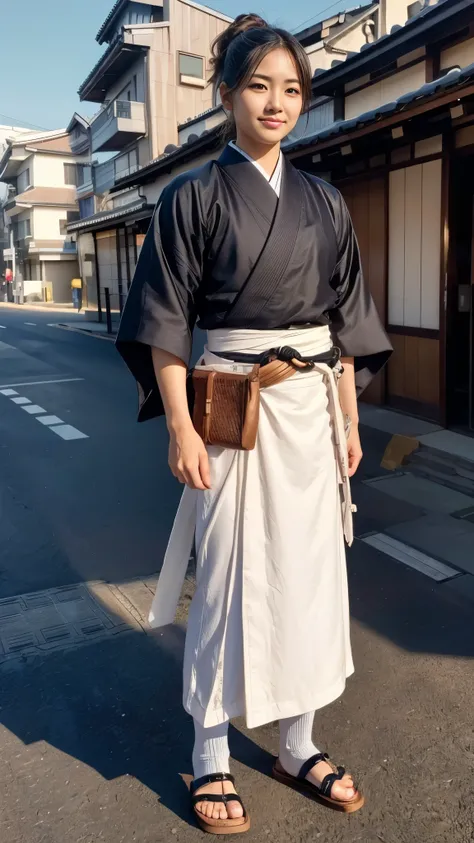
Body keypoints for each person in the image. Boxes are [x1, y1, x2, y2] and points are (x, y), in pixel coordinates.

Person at [116, 13, 392, 835]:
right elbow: (164, 322)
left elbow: (347, 321)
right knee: (230, 581)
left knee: (309, 581)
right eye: (261, 85)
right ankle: (209, 751)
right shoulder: (192, 198)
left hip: (309, 413)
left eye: (293, 88)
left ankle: (297, 741)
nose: (278, 102)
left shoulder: (325, 201)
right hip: (232, 406)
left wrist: (348, 416)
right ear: (226, 92)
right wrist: (180, 427)